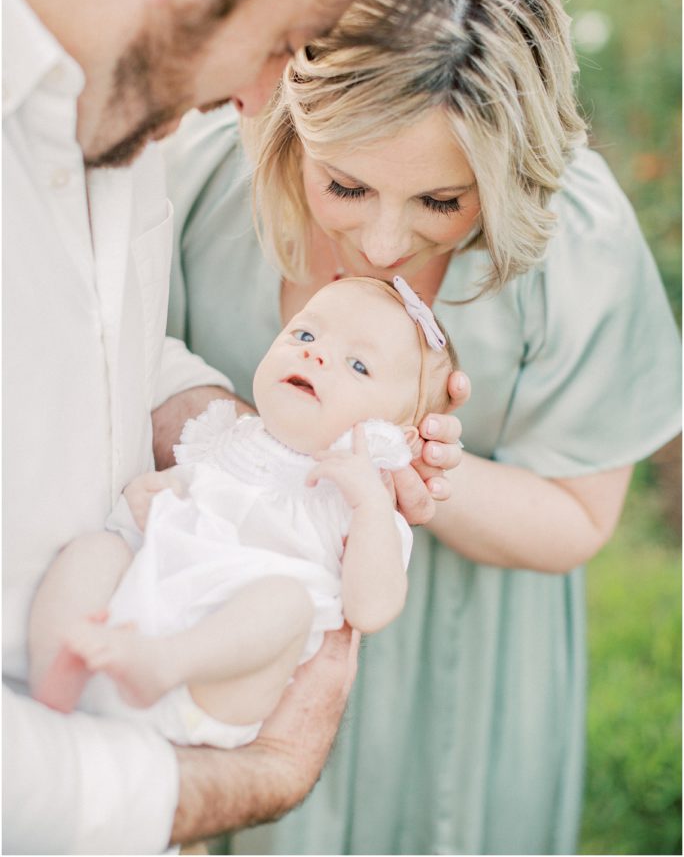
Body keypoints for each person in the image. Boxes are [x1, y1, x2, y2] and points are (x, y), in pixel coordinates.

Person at [161, 0, 682, 855]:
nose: (384, 242)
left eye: (443, 201)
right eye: (344, 185)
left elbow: (579, 517)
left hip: (463, 667)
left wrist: (414, 476)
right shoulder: (199, 178)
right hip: (224, 647)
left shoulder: (577, 242)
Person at [2, 0, 464, 853]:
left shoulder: (119, 106)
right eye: (285, 40)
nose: (262, 100)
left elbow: (104, 346)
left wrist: (272, 446)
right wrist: (222, 785)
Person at [31, 276, 457, 754]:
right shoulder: (230, 437)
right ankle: (54, 667)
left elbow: (371, 609)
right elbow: (194, 489)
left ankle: (163, 662)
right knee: (96, 550)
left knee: (286, 604)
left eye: (358, 365)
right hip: (127, 625)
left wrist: (372, 505)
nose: (314, 356)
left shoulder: (360, 506)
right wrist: (157, 493)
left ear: (392, 434)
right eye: (305, 335)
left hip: (213, 688)